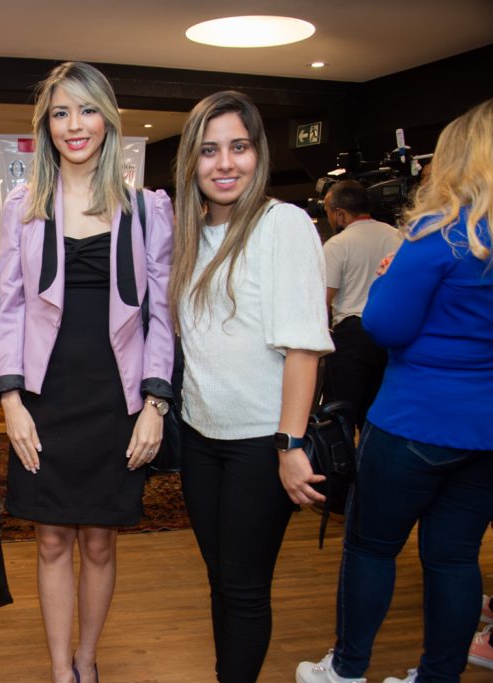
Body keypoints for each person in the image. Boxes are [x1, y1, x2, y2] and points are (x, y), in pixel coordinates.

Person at [297, 99, 493, 683]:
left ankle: (347, 670)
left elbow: (385, 327)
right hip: (484, 431)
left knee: (372, 548)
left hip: (414, 422)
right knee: (456, 558)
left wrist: (386, 281)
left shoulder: (442, 235)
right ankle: (438, 676)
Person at [0, 61, 174, 683]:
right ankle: (58, 671)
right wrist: (11, 400)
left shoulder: (146, 208)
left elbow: (163, 312)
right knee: (50, 541)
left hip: (117, 398)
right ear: (46, 125)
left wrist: (155, 403)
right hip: (46, 397)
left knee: (99, 541)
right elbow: (9, 308)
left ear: (109, 120)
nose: (75, 125)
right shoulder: (23, 206)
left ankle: (88, 660)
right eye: (61, 112)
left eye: (87, 110)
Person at [170, 90, 334, 683]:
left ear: (257, 153)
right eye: (210, 150)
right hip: (200, 436)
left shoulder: (282, 225)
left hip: (261, 441)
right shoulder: (188, 234)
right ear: (192, 160)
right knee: (221, 578)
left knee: (242, 586)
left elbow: (303, 346)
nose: (225, 163)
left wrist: (290, 447)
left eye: (238, 147)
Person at [321, 180, 403, 429]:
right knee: (377, 415)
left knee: (339, 414)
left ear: (340, 213)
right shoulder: (397, 236)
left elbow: (323, 298)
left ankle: (342, 467)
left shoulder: (338, 244)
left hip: (352, 336)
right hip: (390, 334)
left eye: (327, 213)